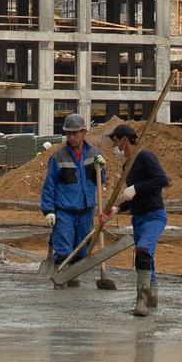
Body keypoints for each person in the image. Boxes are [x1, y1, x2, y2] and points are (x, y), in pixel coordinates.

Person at [39, 119, 116, 291]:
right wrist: (49, 210)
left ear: (83, 132)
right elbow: (49, 185)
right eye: (68, 133)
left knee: (81, 251)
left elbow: (100, 179)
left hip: (86, 210)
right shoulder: (58, 157)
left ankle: (73, 280)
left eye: (75, 133)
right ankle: (61, 282)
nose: (71, 137)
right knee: (64, 250)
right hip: (64, 211)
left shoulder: (93, 154)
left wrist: (101, 168)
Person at [107, 123, 170, 318]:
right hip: (139, 218)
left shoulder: (145, 157)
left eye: (116, 142)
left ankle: (141, 299)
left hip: (154, 216)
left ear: (125, 140)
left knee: (143, 251)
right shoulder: (127, 166)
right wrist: (118, 207)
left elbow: (162, 180)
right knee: (144, 256)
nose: (114, 147)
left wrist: (137, 188)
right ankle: (152, 297)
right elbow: (134, 197)